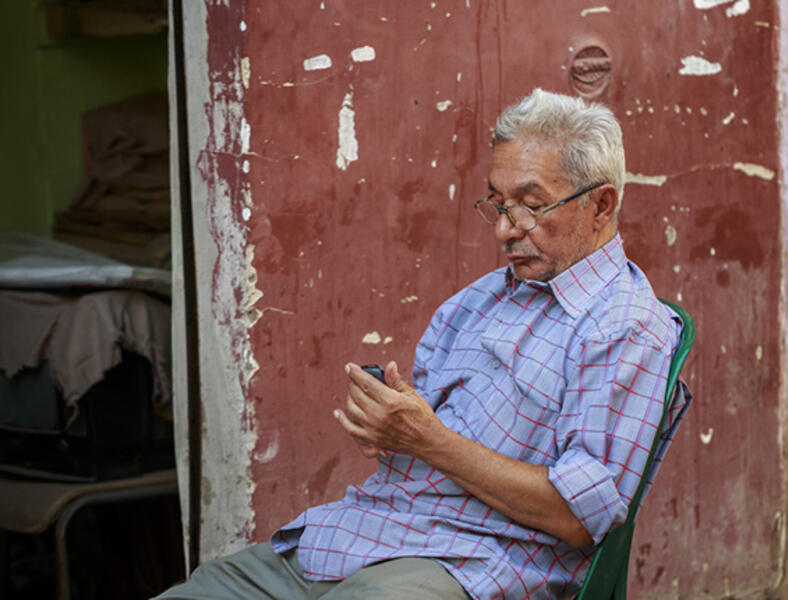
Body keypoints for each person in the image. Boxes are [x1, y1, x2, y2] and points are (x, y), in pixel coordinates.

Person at [155, 88, 690, 600]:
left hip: (477, 562)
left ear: (600, 207)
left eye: (530, 205)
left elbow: (577, 518)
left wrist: (426, 437)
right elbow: (428, 435)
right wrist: (390, 425)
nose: (505, 229)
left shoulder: (624, 327)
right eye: (497, 204)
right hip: (371, 530)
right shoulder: (477, 302)